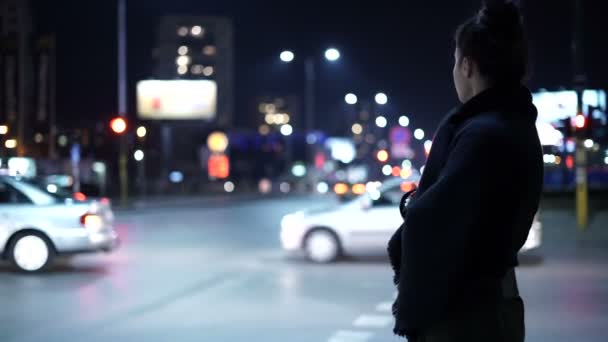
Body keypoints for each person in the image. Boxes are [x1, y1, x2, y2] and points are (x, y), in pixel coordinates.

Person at [387, 0, 543, 341]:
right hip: (489, 301)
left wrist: (415, 210)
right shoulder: (513, 122)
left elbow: (436, 220)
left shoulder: (484, 134)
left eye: (455, 62)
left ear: (468, 66)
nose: (454, 71)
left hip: (466, 313)